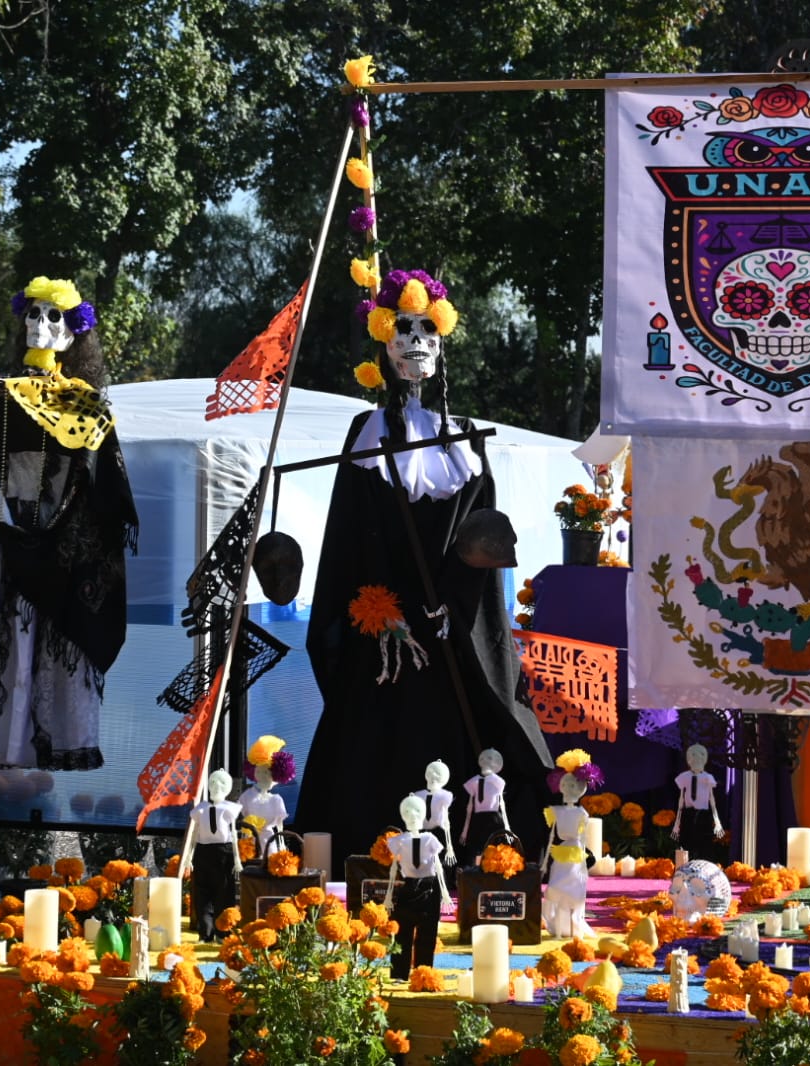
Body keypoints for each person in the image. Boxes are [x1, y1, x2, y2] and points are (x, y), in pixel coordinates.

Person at [291, 270, 553, 871]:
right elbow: (348, 544)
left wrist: (453, 606)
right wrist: (383, 614)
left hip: (451, 627)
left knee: (473, 723)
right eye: (403, 330)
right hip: (385, 631)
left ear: (442, 342)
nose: (416, 342)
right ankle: (373, 849)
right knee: (376, 736)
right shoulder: (367, 435)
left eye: (428, 330)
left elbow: (483, 547)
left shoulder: (466, 440)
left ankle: (484, 851)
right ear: (385, 344)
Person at [0, 276, 137, 769]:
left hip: (57, 531)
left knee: (47, 633)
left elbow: (92, 478)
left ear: (72, 333)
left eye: (52, 317)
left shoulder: (83, 403)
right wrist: (6, 524)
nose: (38, 325)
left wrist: (52, 530)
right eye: (32, 314)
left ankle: (36, 739)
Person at [383, 794, 447, 980]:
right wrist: (388, 895)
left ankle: (424, 973)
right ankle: (399, 975)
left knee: (427, 935)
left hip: (429, 887)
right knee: (402, 934)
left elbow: (438, 866)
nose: (413, 818)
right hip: (407, 888)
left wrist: (444, 891)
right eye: (408, 814)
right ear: (403, 816)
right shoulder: (398, 841)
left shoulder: (430, 839)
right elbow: (394, 869)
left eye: (417, 813)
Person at [541, 751, 601, 940]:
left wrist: (584, 864)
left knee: (573, 890)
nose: (567, 787)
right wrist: (544, 863)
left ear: (580, 788)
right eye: (565, 784)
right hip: (560, 853)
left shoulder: (581, 813)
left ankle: (573, 925)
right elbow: (551, 836)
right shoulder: (555, 811)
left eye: (572, 785)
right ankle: (557, 924)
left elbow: (583, 838)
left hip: (575, 853)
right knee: (555, 888)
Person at [189, 769, 243, 942]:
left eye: (221, 784)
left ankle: (222, 932)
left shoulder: (230, 809)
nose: (216, 787)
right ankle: (206, 932)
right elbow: (194, 835)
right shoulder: (201, 809)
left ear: (227, 788)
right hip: (203, 851)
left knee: (224, 891)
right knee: (202, 893)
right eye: (213, 783)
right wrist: (188, 858)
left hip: (223, 852)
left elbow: (234, 834)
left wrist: (237, 859)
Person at [672, 743, 725, 863]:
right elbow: (681, 799)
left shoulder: (708, 778)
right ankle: (684, 870)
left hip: (704, 815)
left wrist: (717, 821)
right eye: (693, 755)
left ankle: (704, 869)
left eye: (700, 756)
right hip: (688, 814)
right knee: (685, 844)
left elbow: (712, 799)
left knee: (704, 844)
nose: (697, 759)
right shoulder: (684, 777)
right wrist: (677, 823)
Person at [412, 759, 457, 865]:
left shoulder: (445, 795)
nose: (433, 775)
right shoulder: (419, 795)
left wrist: (449, 846)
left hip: (438, 832)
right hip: (422, 832)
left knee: (438, 863)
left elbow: (446, 821)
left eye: (437, 773)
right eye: (430, 772)